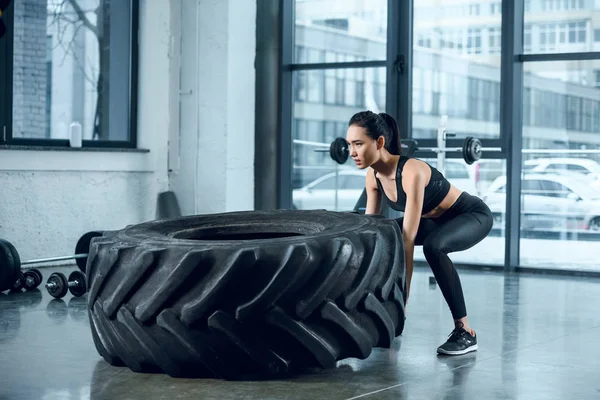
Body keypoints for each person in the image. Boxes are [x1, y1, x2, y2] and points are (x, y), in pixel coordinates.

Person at [345, 110, 493, 356]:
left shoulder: (411, 171)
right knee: (385, 231)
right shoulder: (373, 177)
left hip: (471, 215)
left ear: (379, 142)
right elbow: (372, 231)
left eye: (358, 144)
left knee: (433, 246)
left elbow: (407, 241)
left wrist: (401, 308)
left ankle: (465, 331)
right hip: (436, 221)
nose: (352, 152)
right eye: (350, 144)